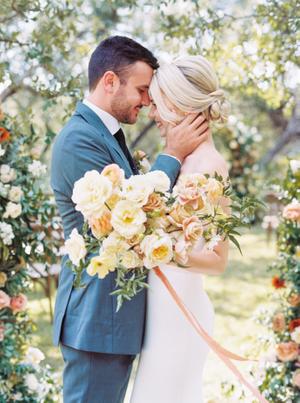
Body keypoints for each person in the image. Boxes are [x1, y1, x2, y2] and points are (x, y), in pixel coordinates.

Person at [50, 36, 209, 403]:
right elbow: (127, 217)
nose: (147, 101)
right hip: (95, 319)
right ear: (109, 81)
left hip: (113, 322)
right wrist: (172, 154)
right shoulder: (79, 140)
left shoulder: (106, 135)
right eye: (141, 89)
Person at [130, 55, 230, 403]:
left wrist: (159, 249)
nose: (152, 113)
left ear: (178, 104)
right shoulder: (181, 160)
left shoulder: (210, 166)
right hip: (159, 313)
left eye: (157, 104)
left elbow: (218, 261)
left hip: (180, 316)